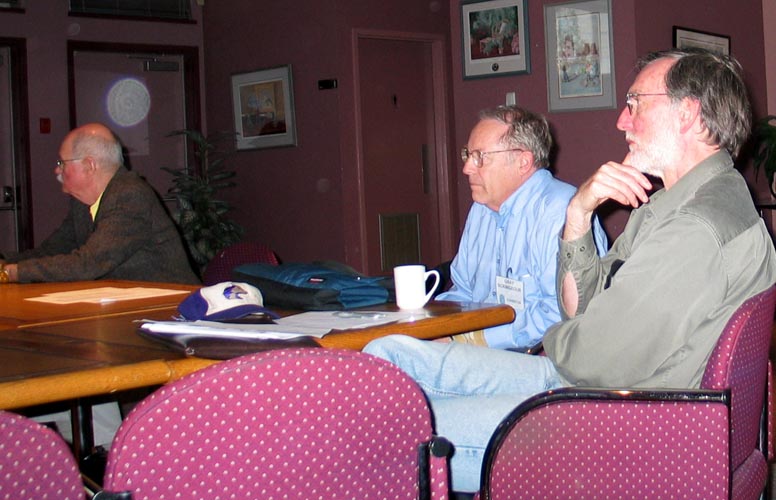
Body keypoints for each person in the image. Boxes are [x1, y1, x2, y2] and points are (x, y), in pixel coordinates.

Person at [363, 48, 776, 493]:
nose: (622, 119)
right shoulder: (680, 203)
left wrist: (555, 337)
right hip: (589, 386)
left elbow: (585, 355)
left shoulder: (695, 229)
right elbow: (584, 308)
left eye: (636, 103)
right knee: (389, 356)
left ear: (689, 114)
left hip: (615, 425)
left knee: (381, 430)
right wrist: (578, 214)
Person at [436, 105, 607, 349]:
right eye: (468, 155)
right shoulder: (481, 210)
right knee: (392, 349)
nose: (467, 168)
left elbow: (563, 315)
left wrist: (474, 340)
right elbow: (463, 292)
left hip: (546, 359)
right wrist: (427, 325)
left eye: (480, 157)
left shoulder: (561, 211)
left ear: (523, 162)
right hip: (479, 352)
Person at [0, 123, 198, 285]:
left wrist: (11, 273)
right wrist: (5, 263)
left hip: (171, 310)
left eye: (62, 163)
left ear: (88, 165)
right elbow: (52, 250)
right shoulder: (83, 203)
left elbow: (89, 263)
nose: (56, 170)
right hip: (129, 308)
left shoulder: (130, 195)